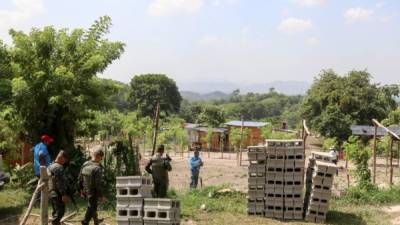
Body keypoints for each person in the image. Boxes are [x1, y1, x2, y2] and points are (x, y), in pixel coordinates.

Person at [79, 147, 106, 225]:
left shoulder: (85, 164)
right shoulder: (97, 168)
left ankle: (96, 220)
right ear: (98, 156)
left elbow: (79, 179)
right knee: (92, 207)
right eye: (101, 158)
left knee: (92, 205)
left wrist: (81, 190)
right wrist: (101, 196)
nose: (101, 160)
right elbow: (98, 185)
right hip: (93, 192)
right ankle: (85, 221)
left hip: (85, 190)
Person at [47, 151, 69, 225]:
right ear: (61, 157)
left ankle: (56, 223)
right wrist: (63, 194)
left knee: (55, 211)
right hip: (57, 193)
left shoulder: (50, 166)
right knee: (60, 212)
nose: (65, 162)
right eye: (65, 160)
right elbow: (59, 182)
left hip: (51, 192)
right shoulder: (58, 167)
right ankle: (55, 223)